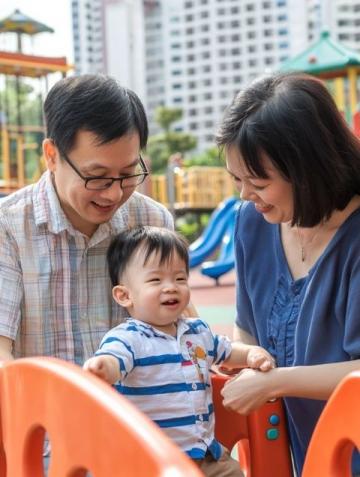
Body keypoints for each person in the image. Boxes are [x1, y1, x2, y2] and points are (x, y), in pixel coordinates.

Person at [216, 71, 360, 476]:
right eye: (236, 180)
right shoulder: (251, 222)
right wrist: (246, 359)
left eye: (258, 182)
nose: (245, 194)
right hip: (293, 453)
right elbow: (246, 328)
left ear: (308, 169)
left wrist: (274, 381)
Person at [0, 74, 173, 364]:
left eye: (129, 173)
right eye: (97, 177)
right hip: (43, 407)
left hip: (131, 409)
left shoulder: (153, 221)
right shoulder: (9, 229)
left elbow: (178, 331)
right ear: (52, 156)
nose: (115, 193)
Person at [84, 226, 274, 477]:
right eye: (155, 280)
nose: (171, 287)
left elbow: (226, 351)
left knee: (233, 472)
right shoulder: (129, 338)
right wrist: (103, 368)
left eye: (180, 278)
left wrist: (250, 354)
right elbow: (114, 360)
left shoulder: (197, 331)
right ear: (124, 295)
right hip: (154, 463)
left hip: (207, 455)